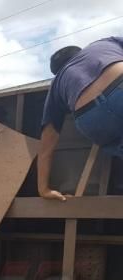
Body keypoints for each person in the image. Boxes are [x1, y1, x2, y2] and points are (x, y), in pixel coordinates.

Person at [39, 37, 123, 201]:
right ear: (80, 51)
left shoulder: (57, 83)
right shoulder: (103, 43)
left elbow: (47, 144)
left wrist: (44, 189)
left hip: (91, 117)